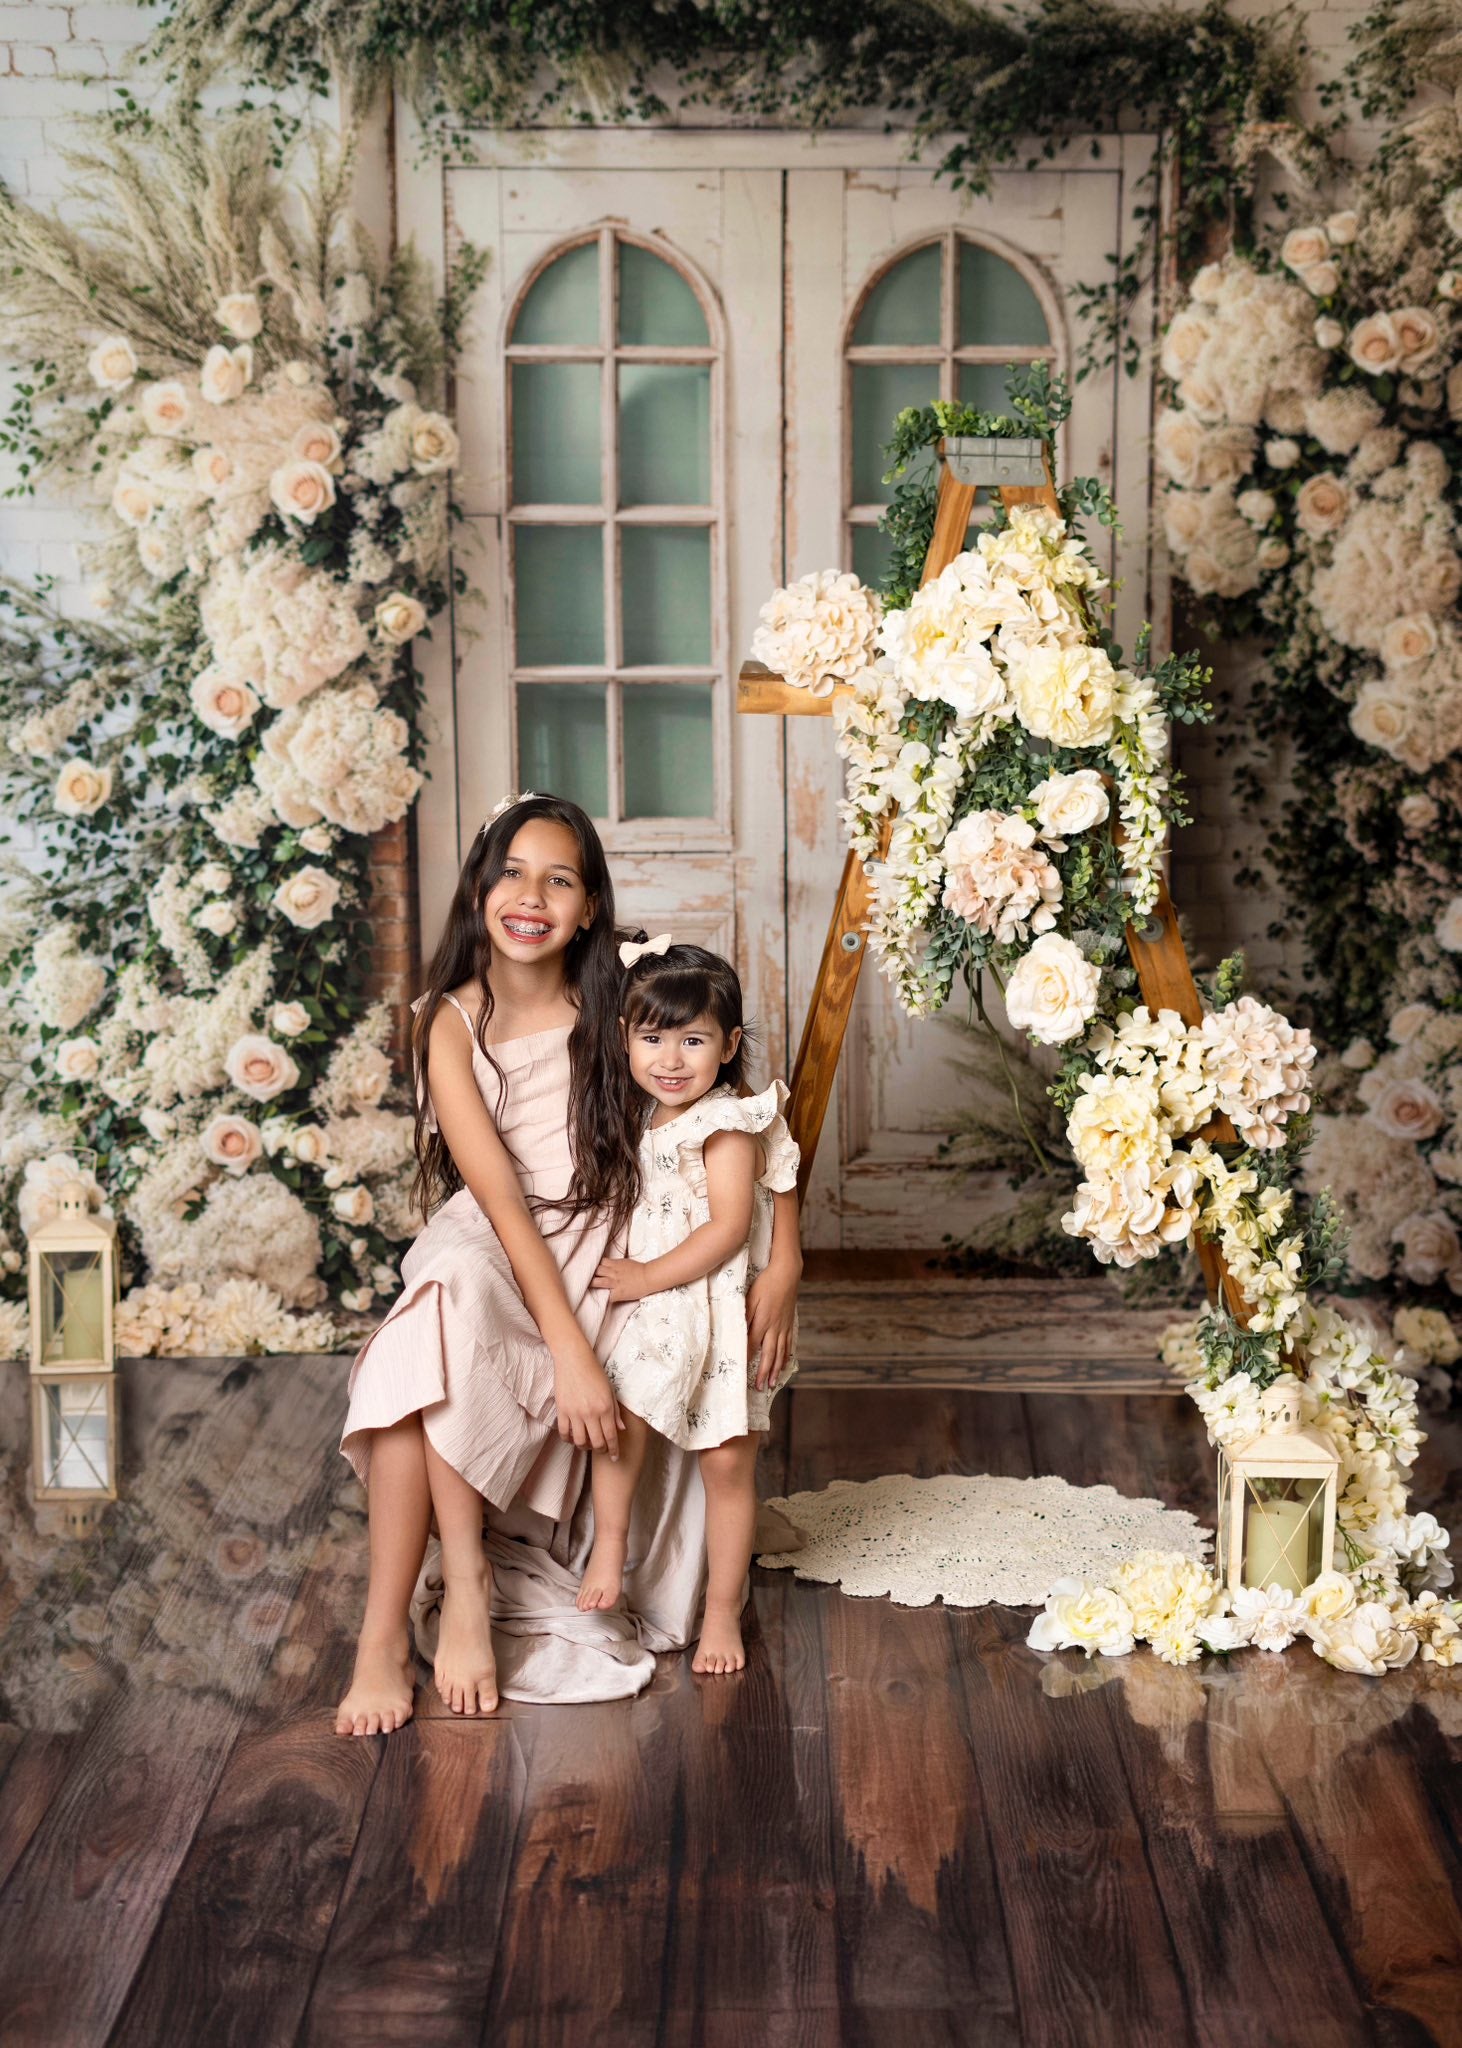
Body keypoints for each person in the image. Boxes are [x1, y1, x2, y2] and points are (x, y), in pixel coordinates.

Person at [333, 796, 800, 1734]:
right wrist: (570, 1353)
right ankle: (433, 1604)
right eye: (511, 873)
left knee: (416, 1360)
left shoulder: (618, 985)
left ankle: (421, 1608)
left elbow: (742, 1110)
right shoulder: (450, 1022)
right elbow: (500, 1200)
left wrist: (783, 1261)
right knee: (442, 1300)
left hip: (605, 1233)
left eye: (559, 880)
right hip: (500, 1232)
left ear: (589, 908)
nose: (530, 898)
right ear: (479, 886)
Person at [579, 940, 799, 1676]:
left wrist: (644, 1276)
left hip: (720, 1315)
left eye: (694, 1041)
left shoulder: (724, 1124)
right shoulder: (642, 1113)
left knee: (727, 1466)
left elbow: (729, 1228)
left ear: (729, 1046)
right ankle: (611, 1544)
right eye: (653, 1039)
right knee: (620, 1425)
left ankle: (722, 1610)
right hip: (662, 1315)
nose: (671, 1059)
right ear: (624, 1039)